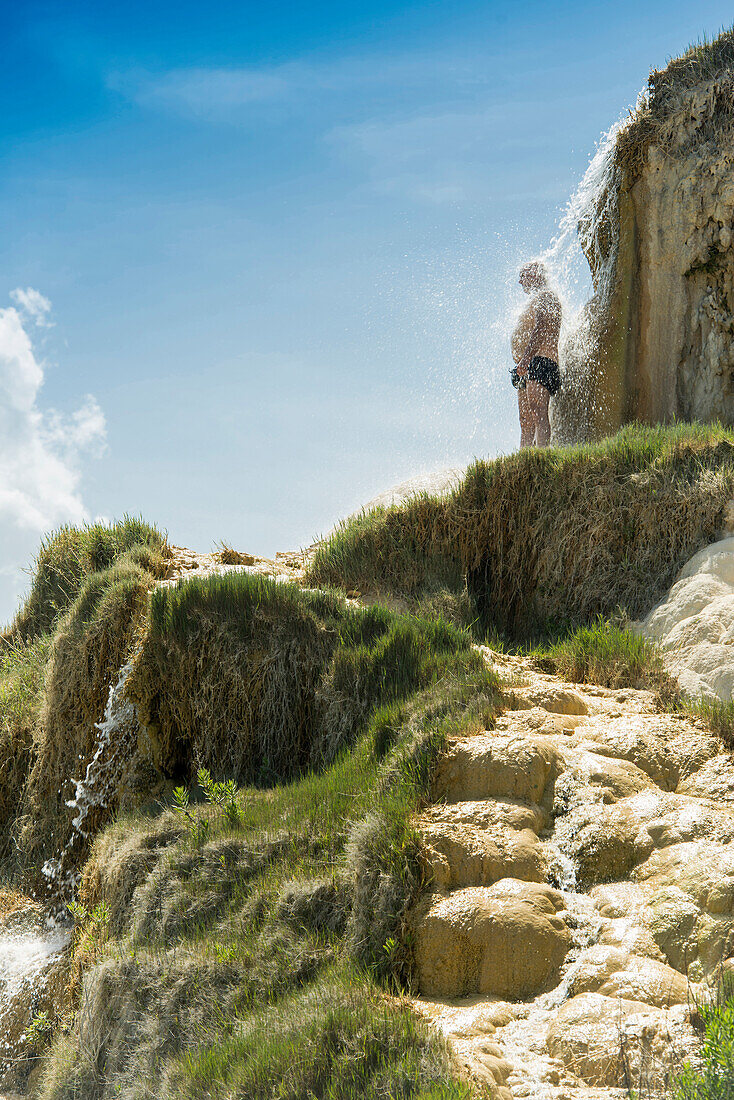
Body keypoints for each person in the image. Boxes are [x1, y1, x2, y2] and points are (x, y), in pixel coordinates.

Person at [510, 261, 562, 447]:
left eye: (523, 276)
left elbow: (540, 328)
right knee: (525, 420)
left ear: (535, 274)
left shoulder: (546, 295)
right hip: (526, 364)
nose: (520, 282)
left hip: (540, 360)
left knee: (538, 410)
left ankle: (541, 455)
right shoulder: (535, 300)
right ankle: (525, 458)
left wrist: (525, 359)